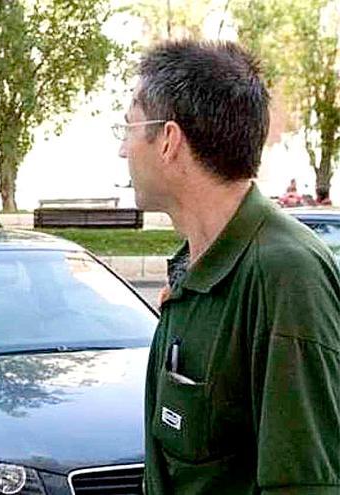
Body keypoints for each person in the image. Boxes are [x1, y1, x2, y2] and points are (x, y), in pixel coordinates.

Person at [116, 40, 340, 494]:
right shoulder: (195, 265)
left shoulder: (285, 275)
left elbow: (303, 484)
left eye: (128, 129)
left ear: (169, 141)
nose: (123, 150)